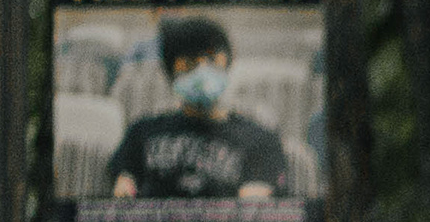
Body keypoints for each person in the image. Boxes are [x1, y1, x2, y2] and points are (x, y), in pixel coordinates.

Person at [101, 15, 289, 198]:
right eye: (190, 64)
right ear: (172, 73)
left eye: (212, 61)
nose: (202, 72)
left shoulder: (261, 140)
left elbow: (252, 207)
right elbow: (124, 193)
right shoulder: (141, 132)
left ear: (228, 63)